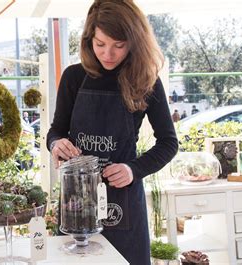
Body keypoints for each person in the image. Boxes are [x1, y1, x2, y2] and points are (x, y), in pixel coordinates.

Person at [46, 1, 178, 264]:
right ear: (88, 40)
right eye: (100, 44)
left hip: (124, 199)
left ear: (134, 42)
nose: (108, 54)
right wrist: (56, 144)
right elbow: (56, 131)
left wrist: (132, 170)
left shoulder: (145, 80)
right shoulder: (73, 77)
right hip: (77, 200)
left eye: (119, 45)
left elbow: (169, 143)